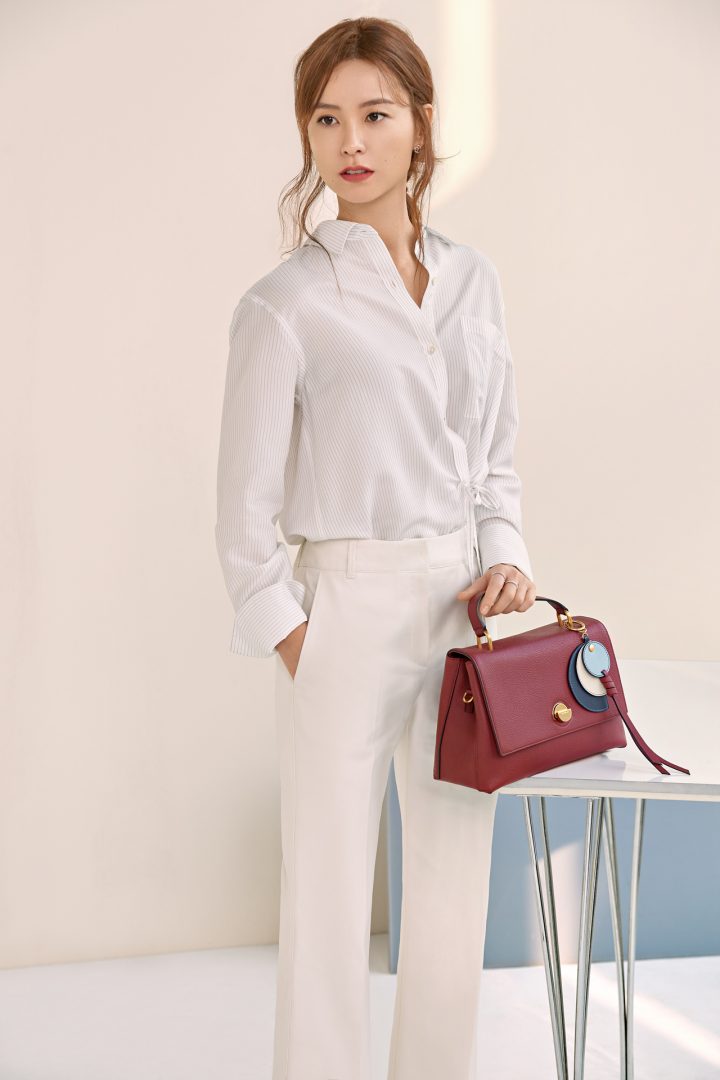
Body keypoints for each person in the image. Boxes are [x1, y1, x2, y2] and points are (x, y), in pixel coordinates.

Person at [214, 16, 537, 1080]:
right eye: (326, 118)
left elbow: (494, 459)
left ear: (421, 125)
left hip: (461, 615)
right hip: (344, 609)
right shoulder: (284, 306)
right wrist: (301, 642)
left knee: (450, 888)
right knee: (326, 894)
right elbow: (242, 517)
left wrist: (505, 552)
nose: (349, 141)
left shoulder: (474, 281)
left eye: (375, 113)